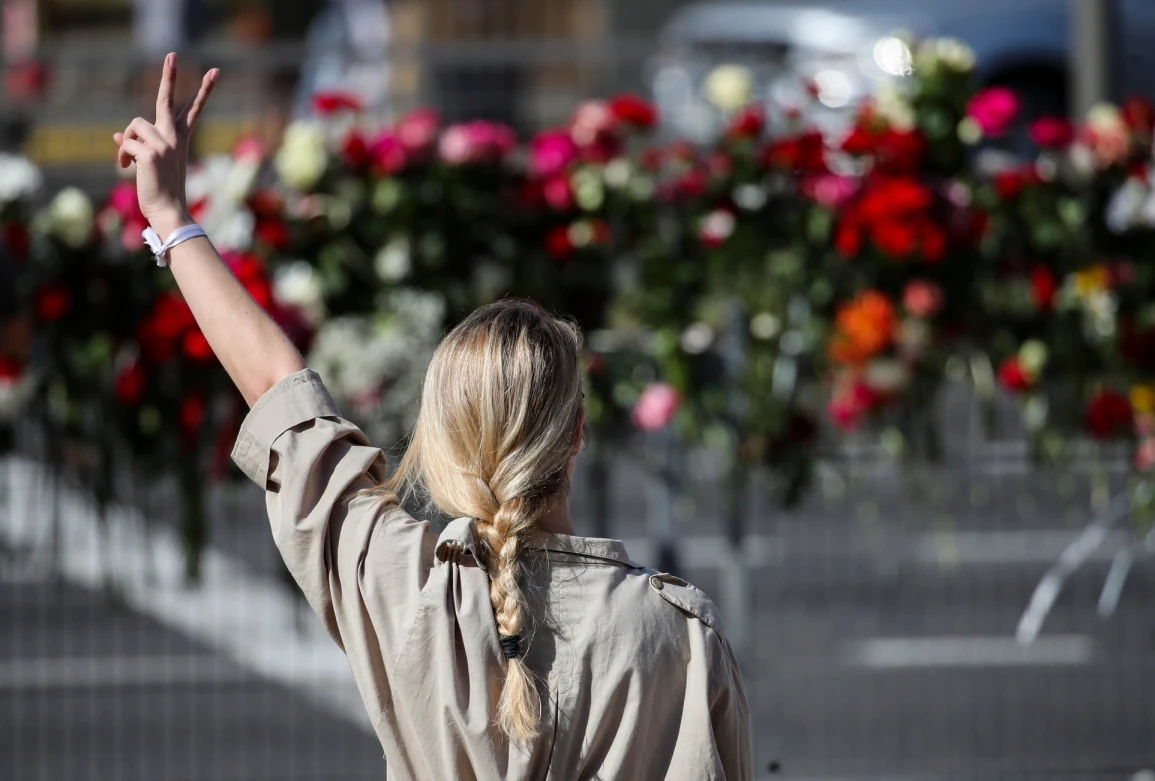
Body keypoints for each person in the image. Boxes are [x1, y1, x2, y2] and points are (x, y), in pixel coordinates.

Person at [114, 54, 753, 780]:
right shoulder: (677, 634)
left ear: (443, 440)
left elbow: (276, 386)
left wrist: (170, 218)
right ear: (577, 432)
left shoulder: (402, 587)